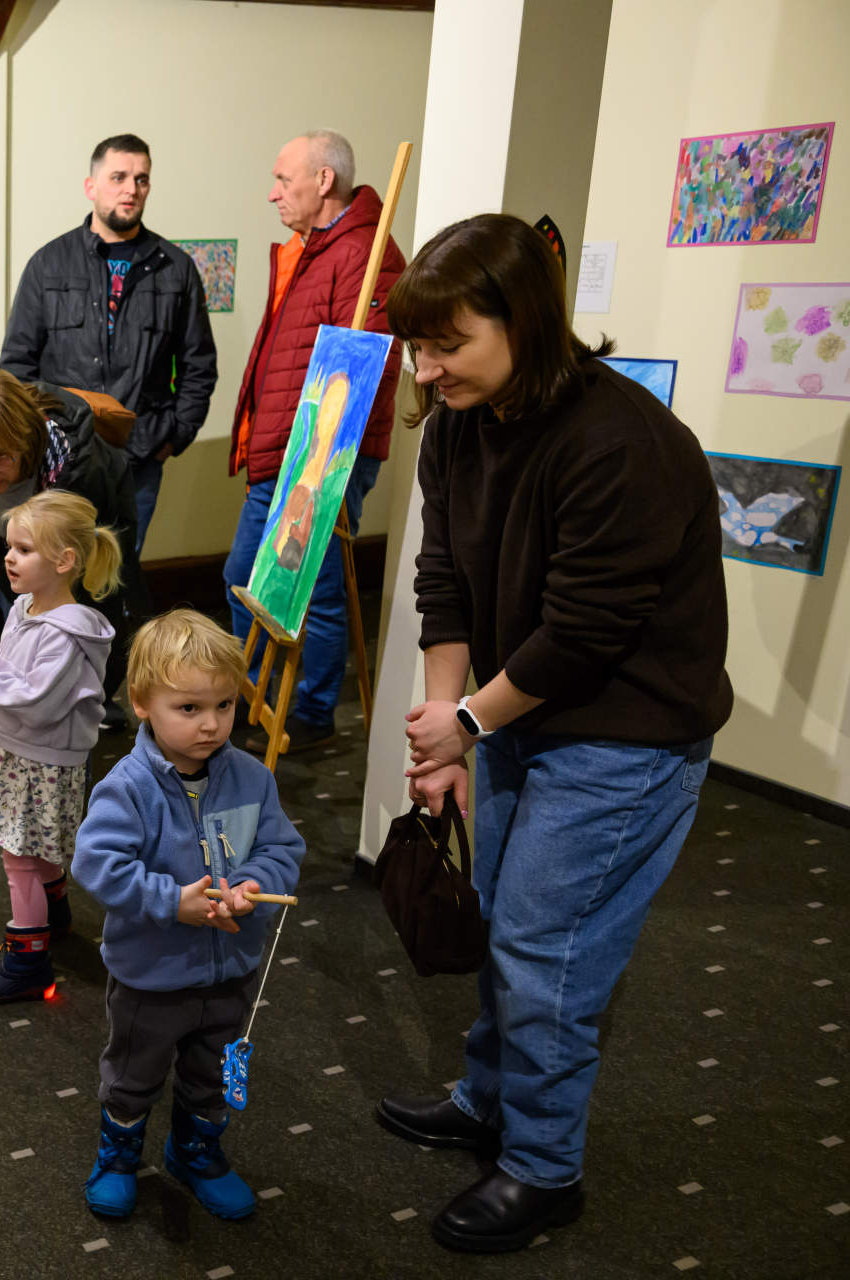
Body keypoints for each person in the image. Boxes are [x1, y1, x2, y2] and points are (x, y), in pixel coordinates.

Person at [376, 213, 732, 1254]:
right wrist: (445, 727)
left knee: (546, 945)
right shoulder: (458, 422)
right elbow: (443, 580)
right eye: (418, 346)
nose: (427, 370)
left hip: (627, 733)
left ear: (524, 320)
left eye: (450, 344)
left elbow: (584, 632)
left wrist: (467, 722)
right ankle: (487, 1099)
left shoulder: (622, 442)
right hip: (519, 708)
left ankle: (542, 1166)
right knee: (503, 916)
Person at [71, 608, 304, 1223]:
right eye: (190, 708)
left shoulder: (252, 778)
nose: (211, 724)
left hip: (232, 970)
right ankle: (119, 1157)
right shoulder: (128, 787)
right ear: (142, 703)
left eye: (224, 705)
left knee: (211, 1074)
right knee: (133, 1076)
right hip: (152, 974)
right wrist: (173, 901)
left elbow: (282, 849)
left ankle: (195, 1152)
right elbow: (97, 864)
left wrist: (254, 884)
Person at [223, 130, 406, 753]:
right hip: (283, 449)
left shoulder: (366, 254)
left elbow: (368, 367)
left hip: (324, 454)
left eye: (283, 179)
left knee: (316, 590)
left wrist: (321, 455)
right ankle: (250, 698)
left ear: (323, 180)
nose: (273, 193)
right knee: (245, 577)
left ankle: (312, 711)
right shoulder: (311, 250)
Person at [0, 134, 218, 550]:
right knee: (55, 567)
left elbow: (199, 366)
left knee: (120, 574)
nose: (130, 189)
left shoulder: (175, 269)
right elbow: (16, 366)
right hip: (60, 460)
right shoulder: (48, 265)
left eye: (141, 179)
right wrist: (37, 440)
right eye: (118, 177)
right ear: (91, 186)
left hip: (139, 461)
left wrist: (174, 435)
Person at [0, 490, 121, 1003]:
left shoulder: (65, 634)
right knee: (34, 845)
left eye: (24, 549)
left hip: (42, 761)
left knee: (20, 854)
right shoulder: (24, 608)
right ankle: (53, 913)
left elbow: (36, 700)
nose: (10, 558)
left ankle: (29, 963)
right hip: (21, 753)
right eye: (10, 547)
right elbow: (19, 671)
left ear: (64, 561)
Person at [0, 371, 144, 729]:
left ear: (26, 442)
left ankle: (84, 709)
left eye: (0, 458)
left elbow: (96, 568)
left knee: (74, 643)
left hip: (80, 560)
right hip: (21, 564)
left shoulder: (77, 466)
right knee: (19, 635)